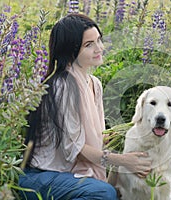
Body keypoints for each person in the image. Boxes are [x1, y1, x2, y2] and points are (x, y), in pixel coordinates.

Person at [18, 13, 152, 200]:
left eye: (99, 40)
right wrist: (122, 161)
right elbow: (76, 148)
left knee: (125, 186)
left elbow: (96, 139)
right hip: (40, 176)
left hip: (66, 176)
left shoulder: (94, 83)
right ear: (71, 51)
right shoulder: (62, 84)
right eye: (89, 45)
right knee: (103, 192)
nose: (99, 48)